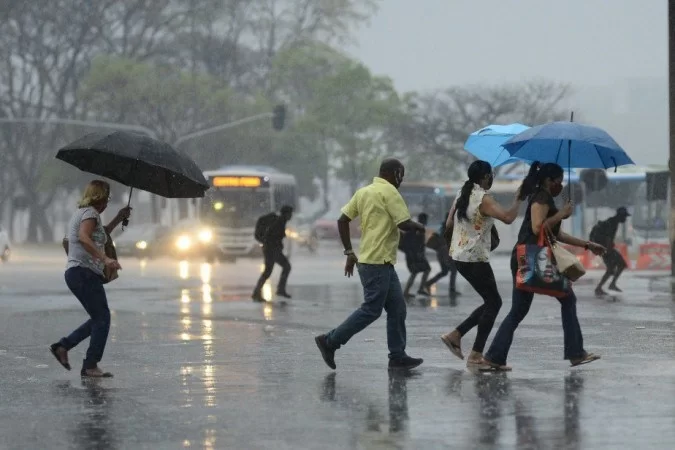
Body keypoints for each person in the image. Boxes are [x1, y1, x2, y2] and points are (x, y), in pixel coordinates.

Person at [483, 162, 606, 371]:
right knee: (567, 297)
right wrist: (561, 214)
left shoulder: (543, 196)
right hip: (531, 256)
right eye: (559, 181)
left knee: (519, 310)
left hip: (527, 255)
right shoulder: (541, 197)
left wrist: (587, 245)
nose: (561, 185)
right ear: (549, 180)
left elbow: (556, 234)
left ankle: (495, 356)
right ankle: (575, 352)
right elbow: (537, 227)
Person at [315, 158, 425, 370]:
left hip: (375, 260)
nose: (401, 179)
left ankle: (397, 356)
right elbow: (403, 223)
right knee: (371, 310)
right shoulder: (390, 192)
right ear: (394, 173)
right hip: (377, 262)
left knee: (397, 308)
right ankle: (329, 341)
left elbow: (342, 220)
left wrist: (349, 251)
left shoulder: (364, 192)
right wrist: (421, 227)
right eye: (401, 174)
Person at [439, 160, 523, 367]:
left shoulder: (462, 194)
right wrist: (519, 198)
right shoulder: (483, 199)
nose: (492, 178)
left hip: (459, 257)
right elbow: (508, 217)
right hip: (475, 258)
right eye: (491, 174)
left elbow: (449, 224)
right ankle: (475, 354)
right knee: (494, 303)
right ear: (485, 176)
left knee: (491, 302)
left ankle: (456, 335)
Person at [49, 180, 131, 378]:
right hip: (83, 273)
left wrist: (119, 218)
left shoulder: (85, 214)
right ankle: (90, 365)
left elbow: (100, 236)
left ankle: (63, 347)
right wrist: (105, 258)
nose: (107, 203)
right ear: (99, 197)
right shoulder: (91, 214)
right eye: (106, 198)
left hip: (78, 274)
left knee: (98, 317)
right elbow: (84, 238)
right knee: (102, 317)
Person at [252, 205, 294, 302]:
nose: (291, 216)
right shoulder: (279, 222)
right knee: (281, 268)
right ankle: (259, 293)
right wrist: (275, 246)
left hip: (271, 249)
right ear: (286, 214)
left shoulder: (280, 221)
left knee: (274, 269)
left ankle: (260, 292)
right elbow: (272, 236)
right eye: (290, 214)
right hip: (271, 250)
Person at [592, 206, 630, 296]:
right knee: (620, 265)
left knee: (612, 269)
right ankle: (606, 286)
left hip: (604, 248)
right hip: (606, 249)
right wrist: (608, 251)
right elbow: (608, 237)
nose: (625, 219)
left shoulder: (612, 222)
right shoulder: (612, 223)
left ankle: (602, 287)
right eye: (624, 216)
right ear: (620, 216)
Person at [424, 210, 460, 297]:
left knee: (444, 271)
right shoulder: (450, 227)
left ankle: (428, 283)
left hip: (441, 252)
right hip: (446, 252)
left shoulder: (444, 226)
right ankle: (452, 289)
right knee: (453, 270)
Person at [401, 213, 431, 298]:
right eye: (425, 220)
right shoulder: (415, 229)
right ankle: (414, 290)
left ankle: (409, 291)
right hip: (414, 256)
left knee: (419, 271)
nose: (426, 222)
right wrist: (415, 253)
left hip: (416, 255)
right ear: (422, 220)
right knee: (423, 270)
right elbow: (411, 243)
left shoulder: (417, 228)